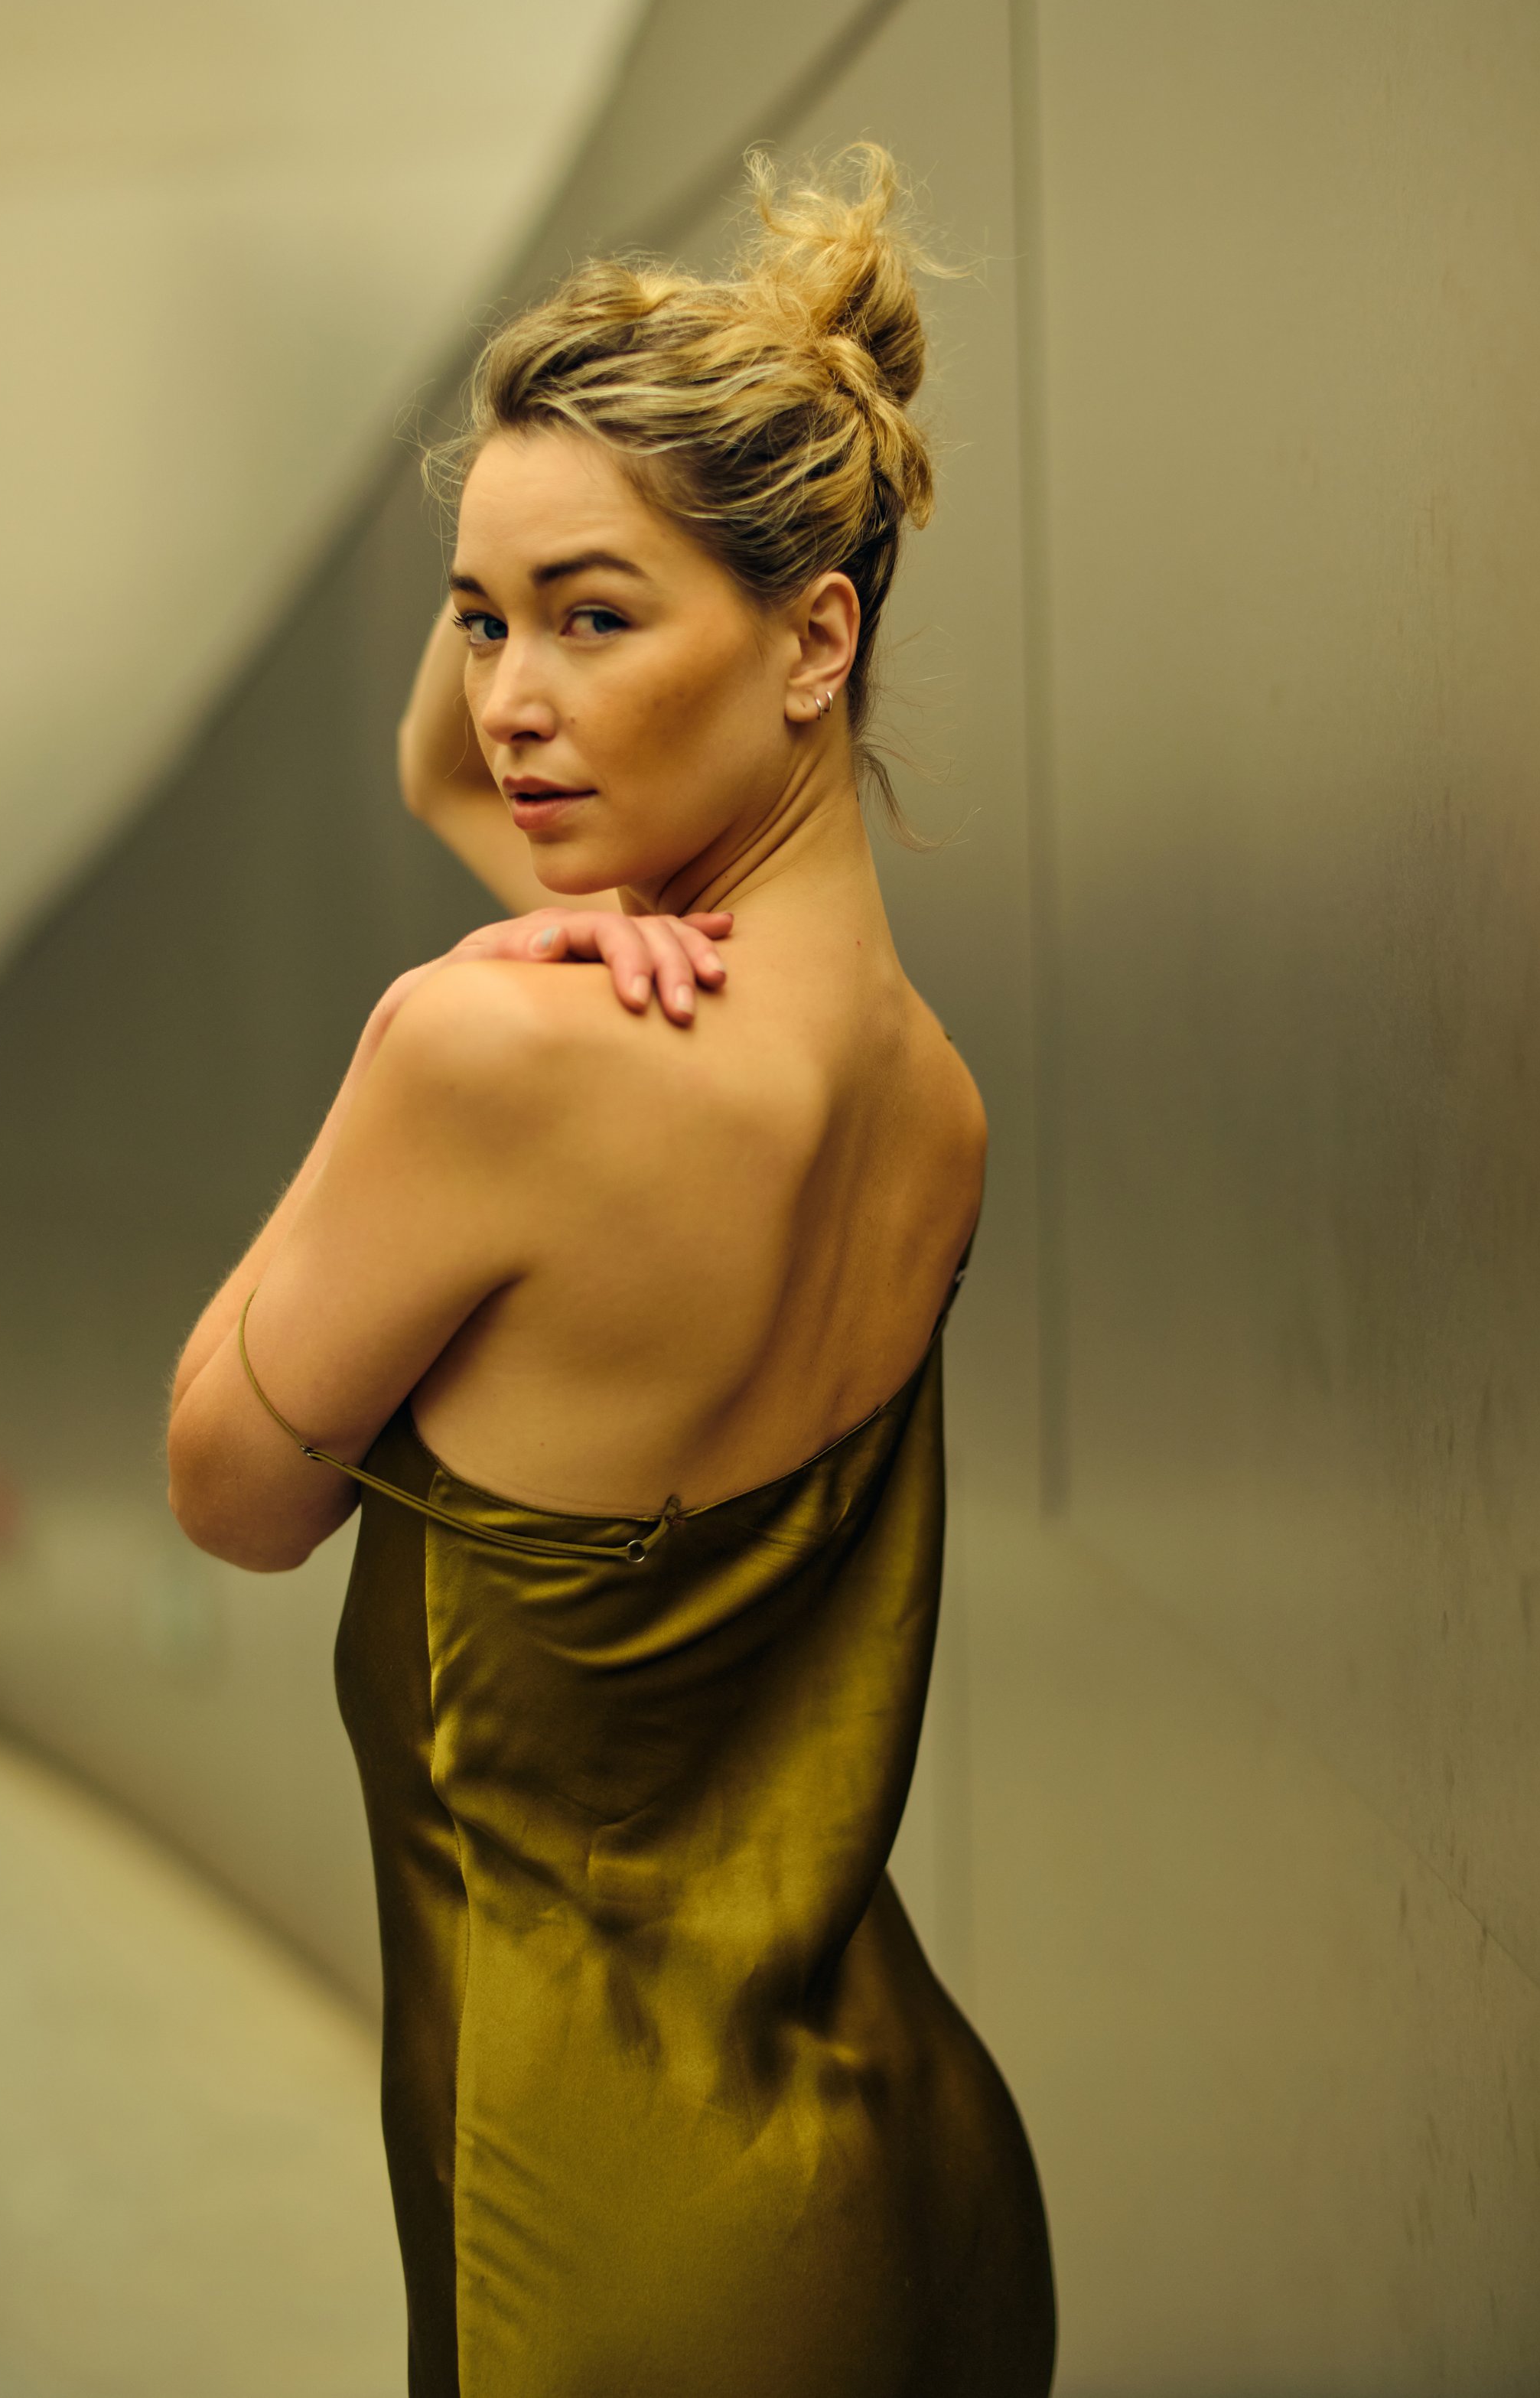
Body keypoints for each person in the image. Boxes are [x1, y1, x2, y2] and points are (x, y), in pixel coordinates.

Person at [168, 145, 1057, 2398]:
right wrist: (596, 466)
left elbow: (229, 1496)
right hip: (914, 2192)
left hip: (623, 2270)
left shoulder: (496, 1063)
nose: (502, 703)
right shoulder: (927, 1098)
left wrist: (410, 1030)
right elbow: (449, 761)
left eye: (592, 618)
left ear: (815, 642)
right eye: (480, 619)